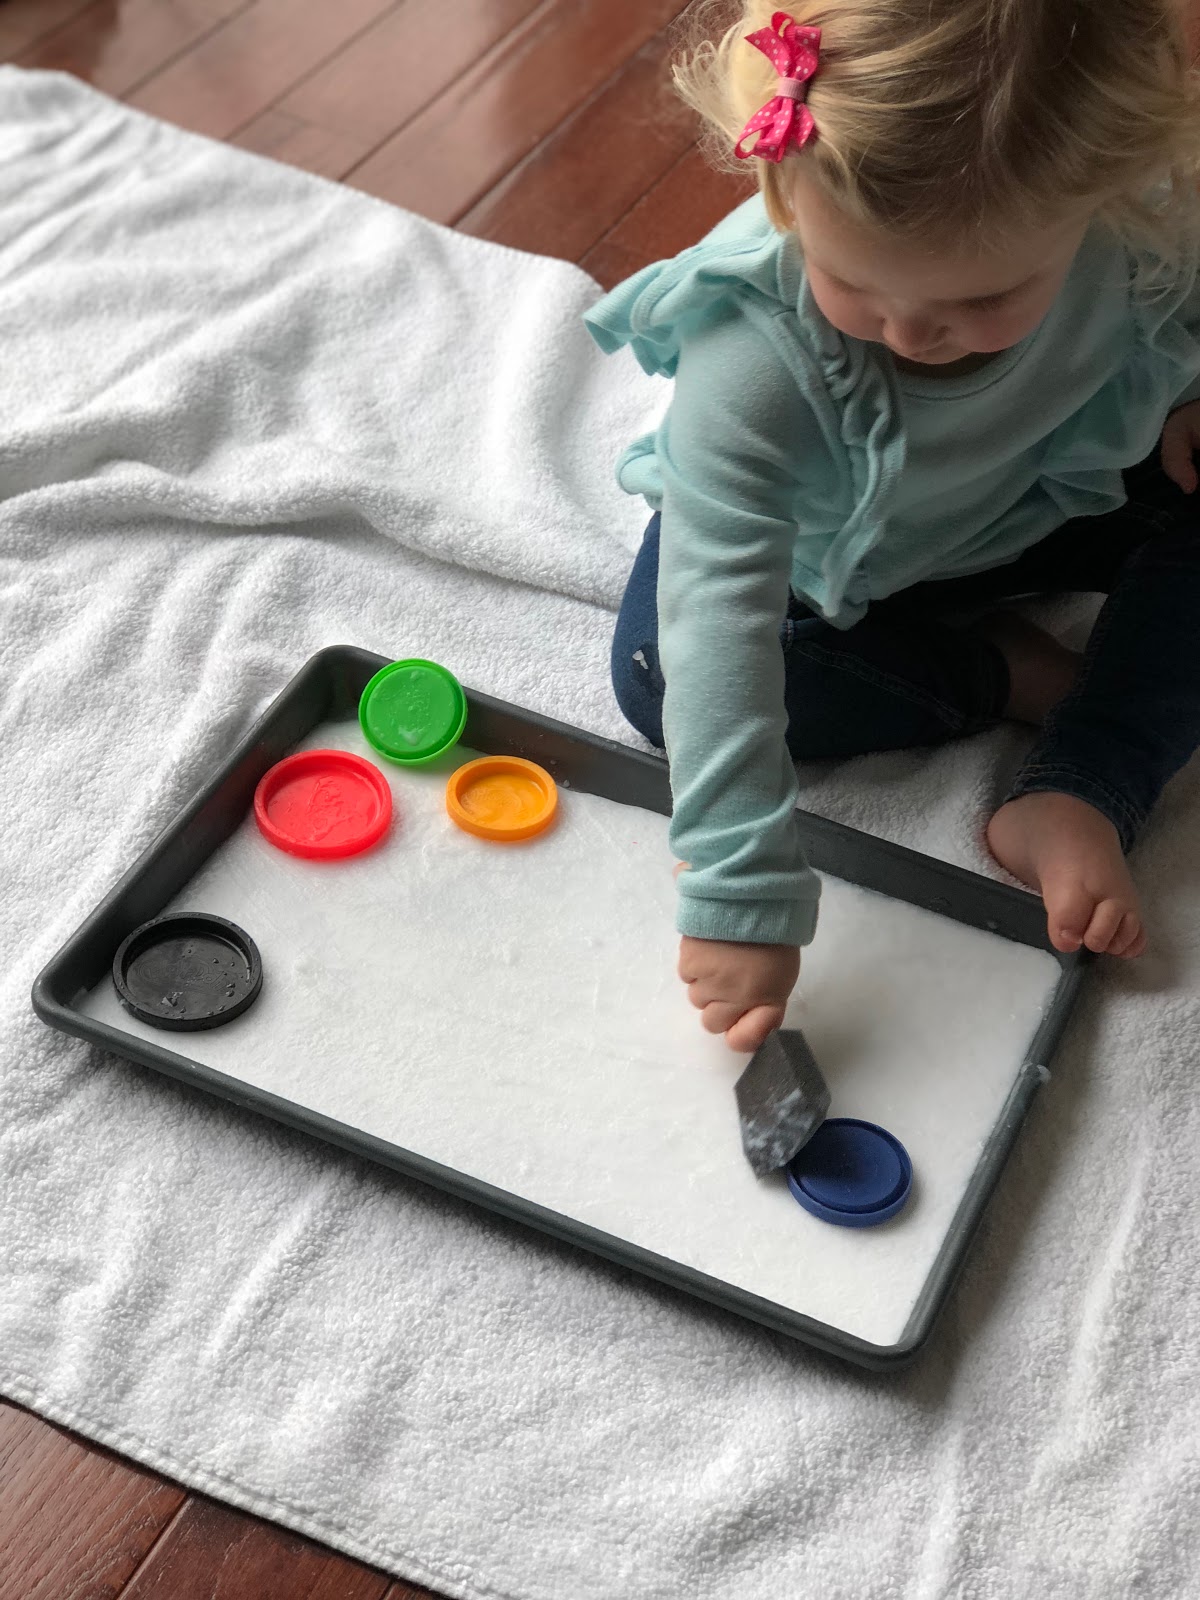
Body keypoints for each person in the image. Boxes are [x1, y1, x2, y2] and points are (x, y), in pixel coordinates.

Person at [584, 0, 1200, 1052]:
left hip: (1048, 495)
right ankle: (999, 674)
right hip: (829, 563)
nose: (913, 333)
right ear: (786, 194)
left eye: (987, 299)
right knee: (663, 676)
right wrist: (739, 883)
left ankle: (1084, 782)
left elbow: (1182, 296)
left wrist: (1186, 392)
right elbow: (717, 609)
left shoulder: (1141, 215)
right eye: (852, 282)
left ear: (1104, 196)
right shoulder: (753, 350)